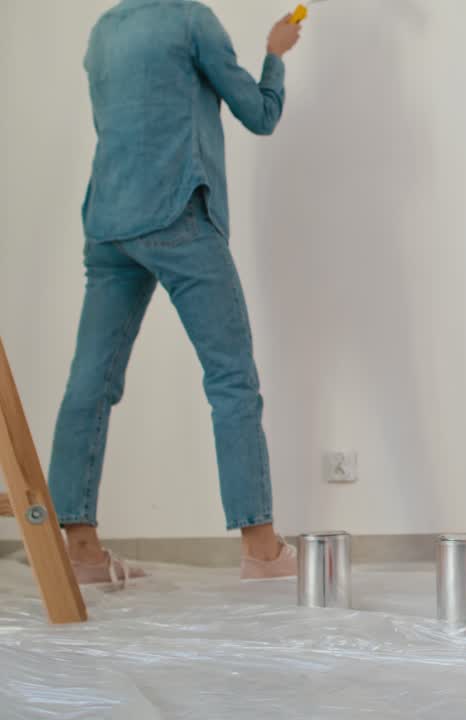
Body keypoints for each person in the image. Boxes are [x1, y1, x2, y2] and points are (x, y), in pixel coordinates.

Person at [49, 1, 304, 585]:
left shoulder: (103, 31)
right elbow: (260, 115)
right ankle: (262, 550)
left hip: (108, 221)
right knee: (231, 376)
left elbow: (113, 126)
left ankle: (81, 552)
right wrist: (274, 54)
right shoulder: (192, 20)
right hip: (178, 216)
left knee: (89, 384)